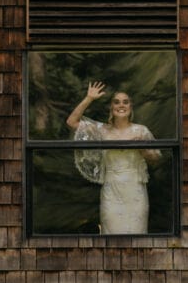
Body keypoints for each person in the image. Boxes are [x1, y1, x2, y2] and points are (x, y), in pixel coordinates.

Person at [67, 81, 159, 234]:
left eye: (125, 102)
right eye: (116, 102)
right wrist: (89, 98)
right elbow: (72, 122)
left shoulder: (141, 130)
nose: (121, 105)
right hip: (111, 191)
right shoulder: (101, 131)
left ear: (130, 107)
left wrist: (143, 149)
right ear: (111, 107)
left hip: (135, 191)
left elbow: (155, 159)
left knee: (137, 236)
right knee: (111, 236)